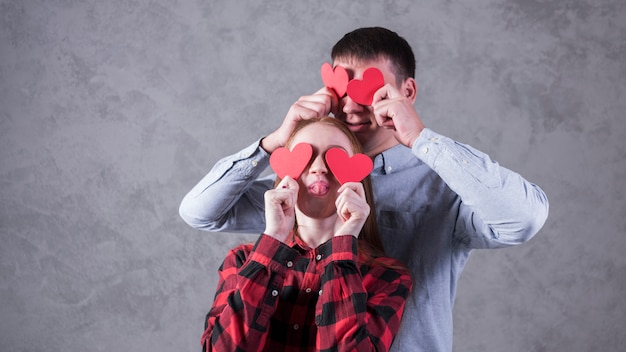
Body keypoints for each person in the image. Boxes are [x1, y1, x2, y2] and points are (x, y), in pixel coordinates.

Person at [181, 27, 549, 352]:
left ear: (407, 91)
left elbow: (523, 220)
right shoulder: (302, 190)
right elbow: (199, 211)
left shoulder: (445, 190)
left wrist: (421, 139)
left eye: (370, 89)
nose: (353, 104)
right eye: (341, 88)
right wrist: (274, 142)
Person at [200, 117, 412, 351]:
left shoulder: (388, 278)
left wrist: (343, 245)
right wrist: (273, 238)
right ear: (284, 173)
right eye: (306, 157)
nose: (319, 167)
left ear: (356, 177)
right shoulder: (242, 261)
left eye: (335, 158)